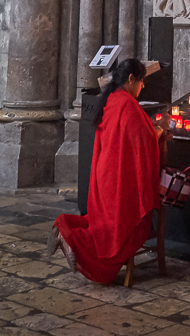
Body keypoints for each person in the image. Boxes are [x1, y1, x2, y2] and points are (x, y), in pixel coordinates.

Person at [47, 57, 163, 283]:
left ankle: (65, 227)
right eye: (141, 82)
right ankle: (69, 235)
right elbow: (144, 139)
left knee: (101, 224)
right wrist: (161, 130)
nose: (143, 86)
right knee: (126, 230)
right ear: (131, 79)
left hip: (105, 177)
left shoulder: (110, 99)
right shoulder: (127, 103)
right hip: (120, 179)